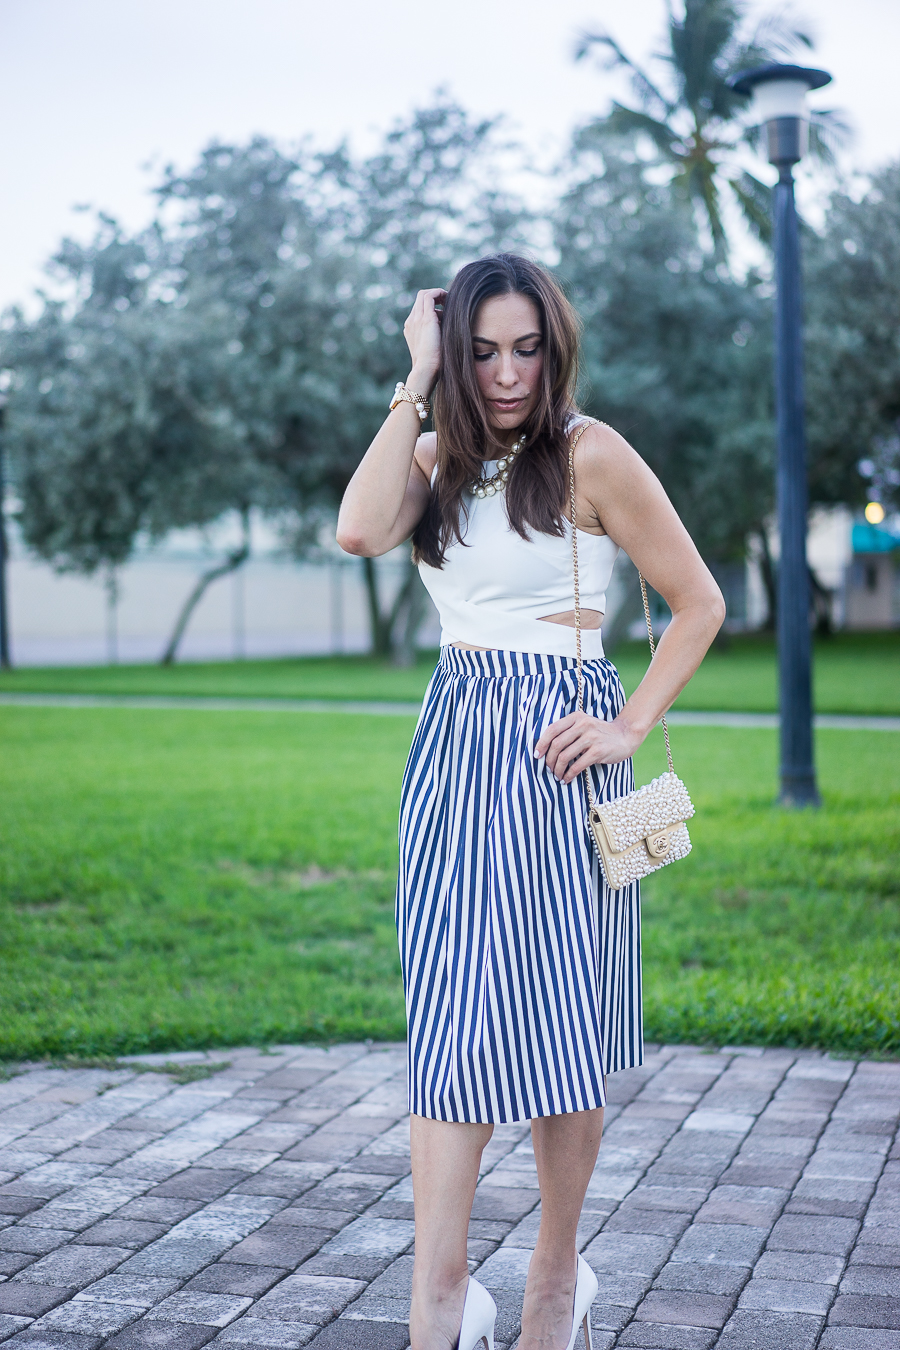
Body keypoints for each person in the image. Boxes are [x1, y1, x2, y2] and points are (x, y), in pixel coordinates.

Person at [337, 254, 724, 1350]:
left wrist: (632, 723)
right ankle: (441, 1303)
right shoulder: (429, 452)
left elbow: (698, 602)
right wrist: (415, 375)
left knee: (563, 1025)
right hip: (457, 751)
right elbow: (359, 531)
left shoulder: (590, 452)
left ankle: (557, 1278)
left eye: (526, 347)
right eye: (481, 349)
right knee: (453, 1028)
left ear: (554, 347)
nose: (506, 373)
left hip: (565, 761)